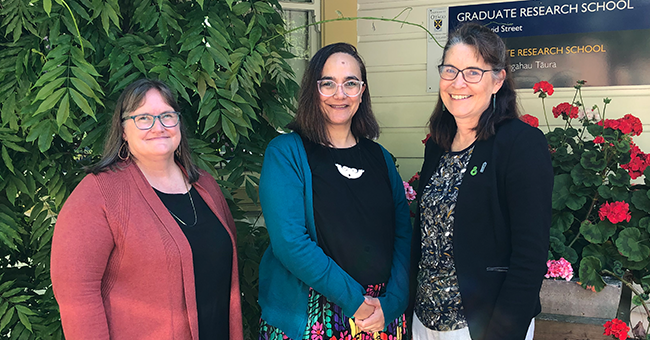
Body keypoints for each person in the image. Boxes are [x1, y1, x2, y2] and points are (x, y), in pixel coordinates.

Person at [50, 79, 243, 340]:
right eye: (143, 118)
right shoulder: (98, 193)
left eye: (166, 116)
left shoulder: (205, 186)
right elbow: (77, 295)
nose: (158, 127)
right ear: (123, 130)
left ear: (178, 124)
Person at [257, 42, 412, 340]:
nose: (339, 94)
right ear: (313, 90)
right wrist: (356, 303)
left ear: (362, 90)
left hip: (379, 317)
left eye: (350, 83)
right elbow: (290, 243)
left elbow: (403, 233)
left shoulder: (380, 157)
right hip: (310, 318)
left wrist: (392, 303)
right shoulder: (286, 153)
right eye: (328, 83)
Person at [409, 23, 553, 340]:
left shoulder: (521, 144)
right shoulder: (437, 145)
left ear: (497, 80)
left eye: (473, 72)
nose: (458, 82)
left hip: (483, 326)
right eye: (450, 70)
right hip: (425, 322)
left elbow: (529, 259)